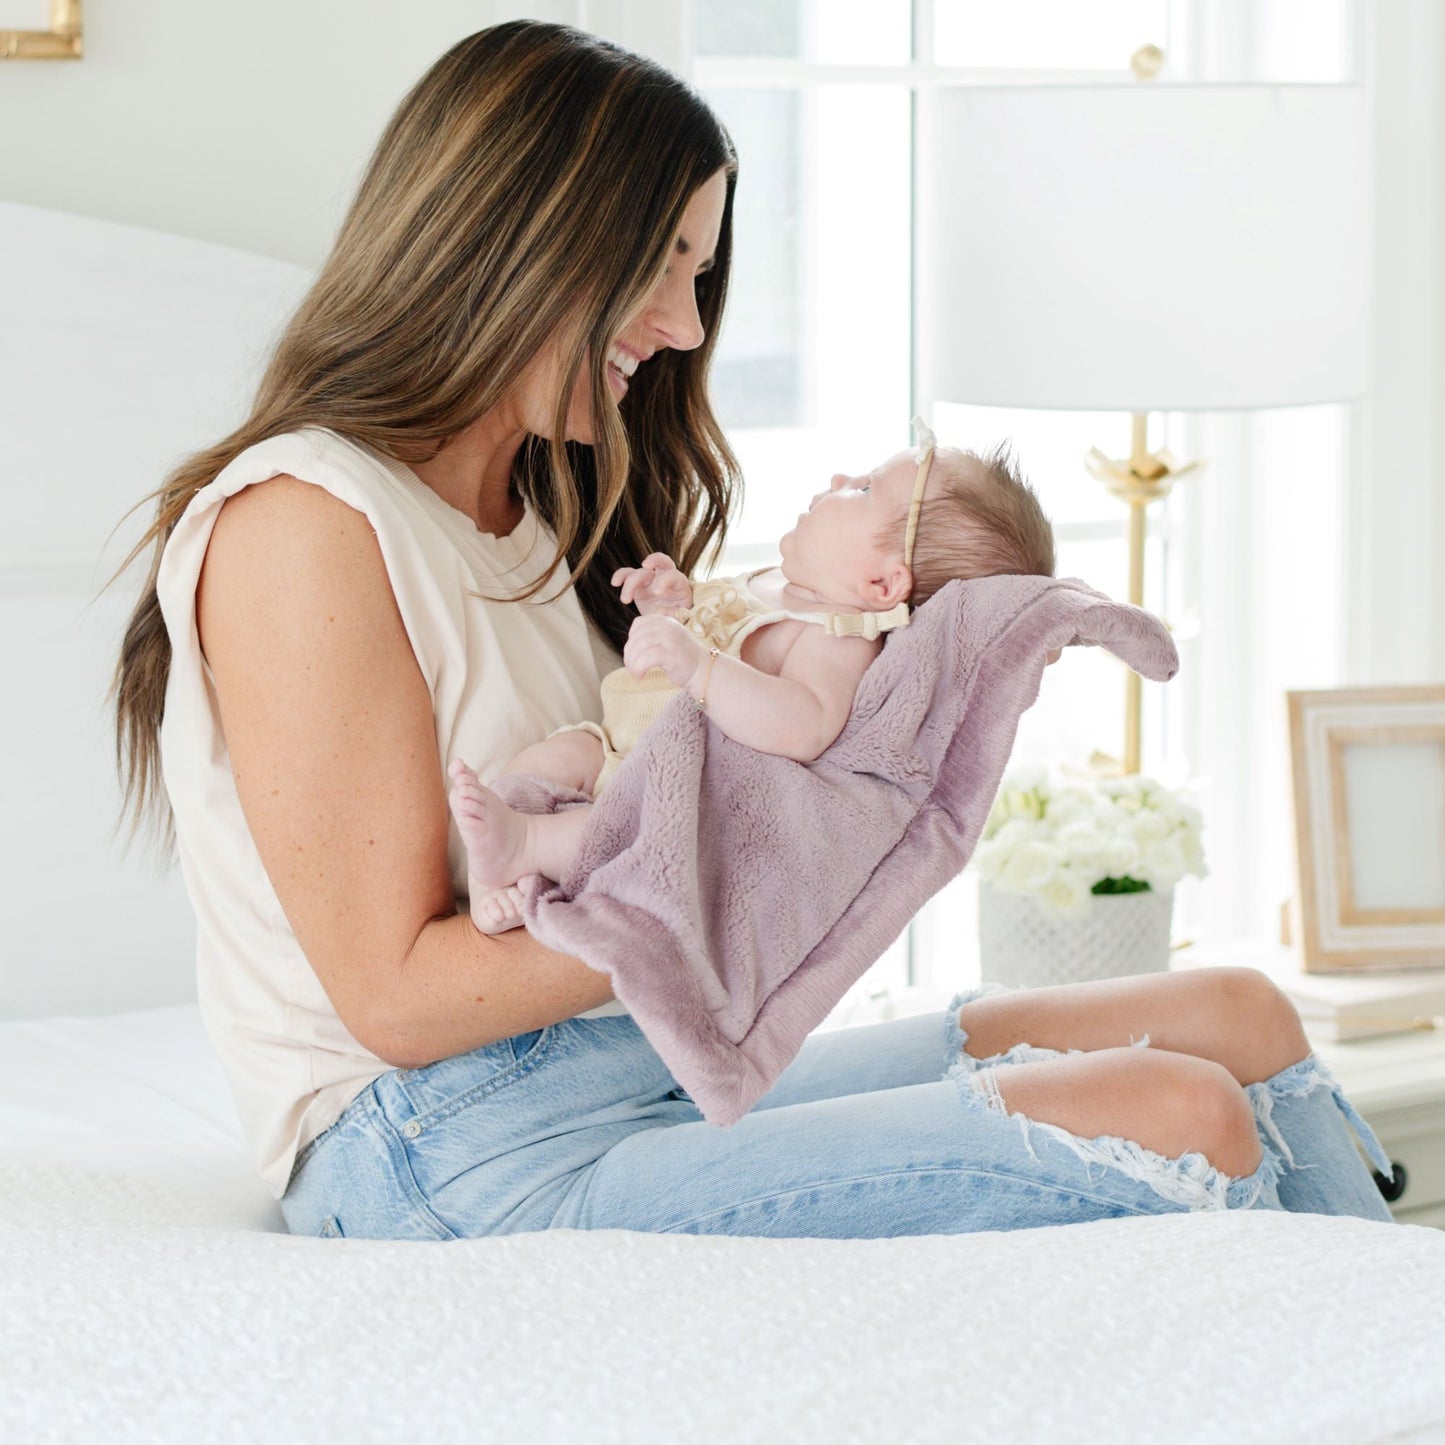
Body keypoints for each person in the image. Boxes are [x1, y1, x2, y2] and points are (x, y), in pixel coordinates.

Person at [112, 20, 1394, 1241]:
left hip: (648, 1060)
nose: (680, 325)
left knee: (1236, 1010)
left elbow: (730, 752)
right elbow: (393, 998)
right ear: (516, 235)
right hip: (448, 1146)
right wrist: (776, 885)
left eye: (697, 270)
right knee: (1181, 1112)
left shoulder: (552, 509)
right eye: (660, 260)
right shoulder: (305, 524)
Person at [448, 429, 1057, 934]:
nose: (842, 479)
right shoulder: (774, 586)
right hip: (612, 742)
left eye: (866, 489)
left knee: (619, 831)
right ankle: (495, 867)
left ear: (882, 586)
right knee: (545, 761)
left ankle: (523, 845)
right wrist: (671, 606)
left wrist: (699, 666)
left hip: (659, 787)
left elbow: (805, 723)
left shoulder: (838, 637)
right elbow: (709, 636)